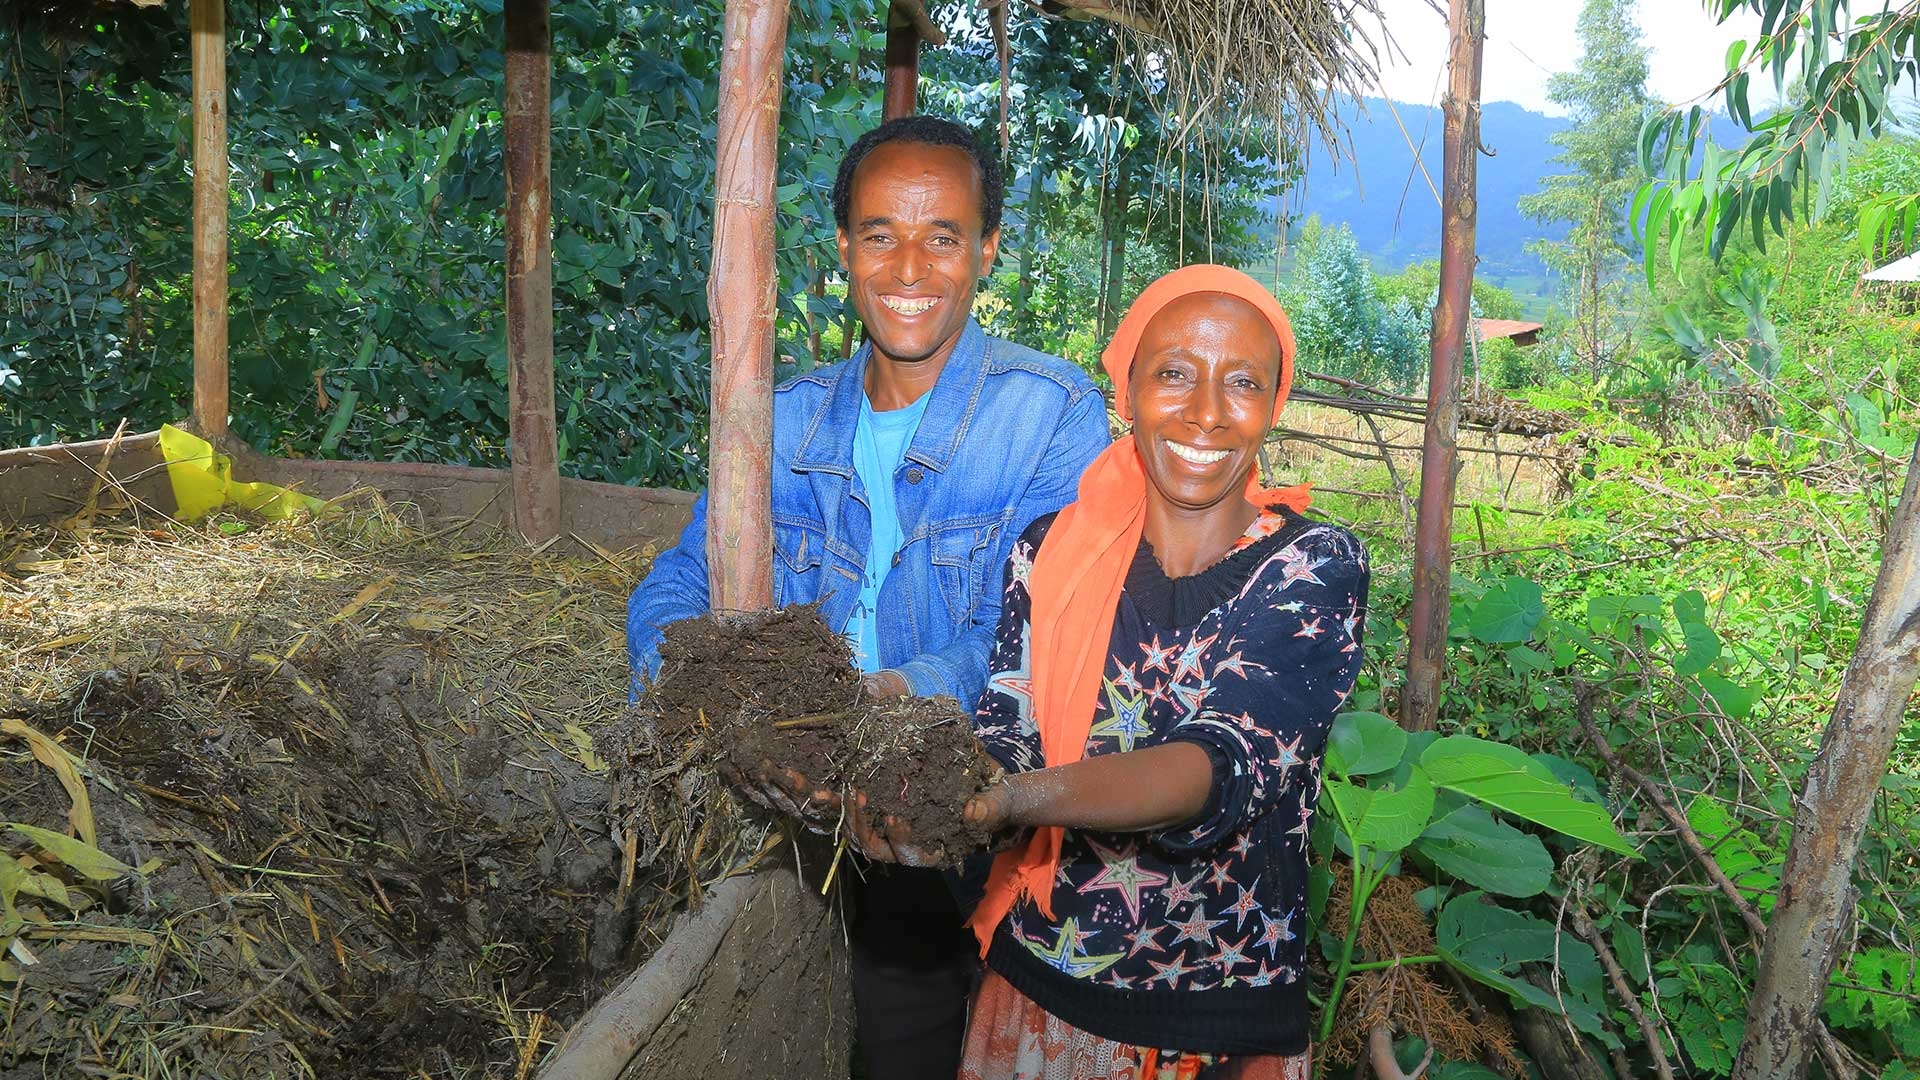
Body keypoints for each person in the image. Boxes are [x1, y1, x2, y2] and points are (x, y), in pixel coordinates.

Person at [626, 115, 1110, 1080]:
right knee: (887, 1035)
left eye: (944, 237)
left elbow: (1033, 633)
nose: (909, 267)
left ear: (988, 250)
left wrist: (882, 701)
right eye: (880, 234)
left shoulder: (1050, 412)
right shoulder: (784, 419)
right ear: (843, 248)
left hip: (978, 796)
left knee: (990, 1029)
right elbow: (682, 578)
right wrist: (697, 685)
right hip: (817, 798)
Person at [866, 265, 1370, 1079]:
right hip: (1037, 993)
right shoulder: (1050, 552)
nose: (1206, 411)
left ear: (1275, 405)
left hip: (1210, 1027)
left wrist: (1010, 800)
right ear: (1126, 392)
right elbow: (1011, 732)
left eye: (1243, 382)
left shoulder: (1313, 566)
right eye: (1173, 373)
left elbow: (1218, 764)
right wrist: (926, 788)